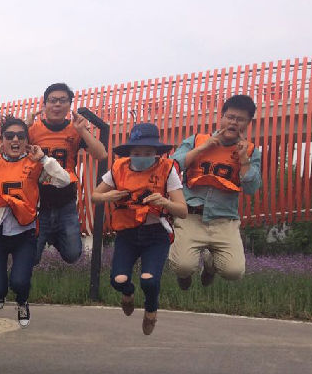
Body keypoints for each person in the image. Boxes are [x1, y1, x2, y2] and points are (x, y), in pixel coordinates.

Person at [0, 117, 70, 327]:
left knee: (19, 281)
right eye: (9, 136)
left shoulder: (35, 163)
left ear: (27, 140)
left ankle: (22, 301)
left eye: (20, 136)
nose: (15, 140)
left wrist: (45, 159)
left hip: (25, 231)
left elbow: (64, 180)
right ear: (2, 139)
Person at [91, 123, 187, 335]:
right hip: (127, 233)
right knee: (118, 280)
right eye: (137, 153)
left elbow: (183, 210)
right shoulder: (118, 168)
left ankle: (151, 310)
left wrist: (164, 202)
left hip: (156, 234)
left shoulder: (167, 169)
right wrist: (108, 196)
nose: (142, 157)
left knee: (149, 280)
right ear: (129, 152)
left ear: (156, 153)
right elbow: (94, 196)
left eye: (148, 152)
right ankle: (128, 293)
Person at [168, 94, 261, 288]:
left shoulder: (250, 151)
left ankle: (210, 265)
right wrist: (202, 148)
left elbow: (252, 188)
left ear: (248, 123)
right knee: (183, 266)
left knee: (234, 272)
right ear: (222, 117)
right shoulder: (197, 140)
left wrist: (244, 159)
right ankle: (184, 274)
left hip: (224, 219)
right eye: (230, 117)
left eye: (240, 119)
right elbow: (171, 167)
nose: (233, 122)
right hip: (191, 215)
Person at [25, 83, 108, 264]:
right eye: (52, 100)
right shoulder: (32, 130)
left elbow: (101, 154)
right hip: (37, 201)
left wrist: (82, 130)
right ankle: (50, 235)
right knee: (31, 258)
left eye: (62, 100)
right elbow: (8, 152)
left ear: (69, 105)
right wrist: (24, 127)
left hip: (65, 200)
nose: (57, 104)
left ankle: (54, 236)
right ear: (44, 105)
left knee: (72, 254)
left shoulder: (75, 129)